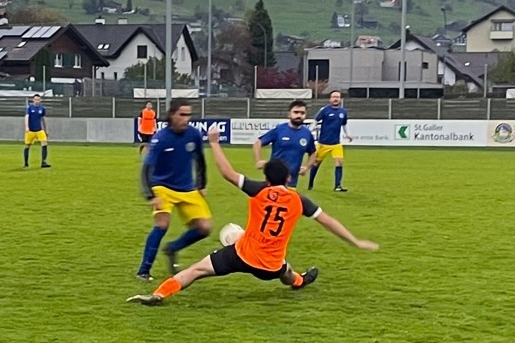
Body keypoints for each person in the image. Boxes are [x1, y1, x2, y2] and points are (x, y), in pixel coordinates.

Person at [127, 125, 378, 306]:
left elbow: (227, 173)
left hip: (240, 255)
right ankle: (301, 281)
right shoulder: (299, 200)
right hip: (270, 265)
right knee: (286, 271)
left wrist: (214, 143)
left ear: (267, 179)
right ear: (288, 178)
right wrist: (355, 241)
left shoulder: (259, 190)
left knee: (195, 270)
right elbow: (329, 221)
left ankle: (159, 294)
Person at [136, 98, 211, 281]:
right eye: (182, 114)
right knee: (162, 224)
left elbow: (200, 160)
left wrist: (201, 185)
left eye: (189, 115)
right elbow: (147, 169)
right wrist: (151, 195)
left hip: (187, 188)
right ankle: (143, 271)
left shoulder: (193, 134)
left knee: (205, 228)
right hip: (162, 187)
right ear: (172, 115)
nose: (186, 119)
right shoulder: (161, 138)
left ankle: (172, 248)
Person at [253, 100, 315, 187]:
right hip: (273, 180)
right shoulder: (279, 130)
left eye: (302, 113)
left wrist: (307, 167)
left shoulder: (307, 134)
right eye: (296, 112)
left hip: (292, 182)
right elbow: (258, 143)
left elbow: (312, 152)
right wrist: (259, 160)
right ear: (289, 114)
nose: (299, 115)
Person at [308, 90, 353, 192]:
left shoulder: (343, 112)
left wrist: (347, 135)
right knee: (315, 164)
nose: (335, 99)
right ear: (330, 99)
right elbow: (315, 121)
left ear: (340, 99)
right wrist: (308, 132)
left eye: (337, 97)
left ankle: (337, 186)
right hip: (323, 143)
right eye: (333, 97)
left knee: (339, 162)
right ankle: (310, 183)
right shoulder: (324, 110)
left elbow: (344, 124)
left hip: (336, 144)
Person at [24, 94, 50, 168]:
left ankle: (43, 162)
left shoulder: (42, 108)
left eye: (38, 100)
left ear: (40, 100)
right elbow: (26, 117)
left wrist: (46, 129)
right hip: (30, 131)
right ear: (33, 100)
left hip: (39, 130)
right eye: (35, 99)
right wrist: (26, 127)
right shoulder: (29, 107)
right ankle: (26, 163)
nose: (37, 101)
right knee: (27, 145)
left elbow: (44, 119)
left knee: (44, 143)